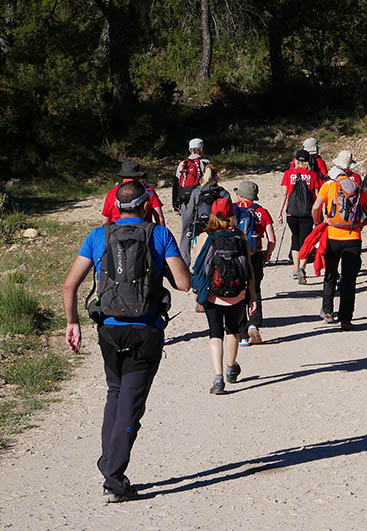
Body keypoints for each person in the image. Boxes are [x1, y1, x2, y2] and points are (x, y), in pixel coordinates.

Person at [63, 180, 191, 503]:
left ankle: (109, 463)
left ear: (116, 207)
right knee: (131, 404)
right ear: (147, 204)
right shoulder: (159, 235)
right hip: (145, 331)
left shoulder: (98, 236)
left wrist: (72, 322)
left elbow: (69, 286)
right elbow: (184, 284)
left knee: (115, 393)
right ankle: (114, 479)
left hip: (108, 330)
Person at [191, 198, 257, 394]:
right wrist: (252, 296)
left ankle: (218, 379)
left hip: (213, 294)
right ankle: (230, 368)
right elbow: (249, 269)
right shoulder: (240, 237)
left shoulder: (205, 237)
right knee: (233, 330)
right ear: (231, 214)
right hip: (237, 293)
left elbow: (198, 267)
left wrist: (197, 292)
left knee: (215, 333)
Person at [311, 173, 367, 330]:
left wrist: (318, 223)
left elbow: (315, 207)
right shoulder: (359, 189)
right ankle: (346, 319)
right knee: (349, 280)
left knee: (331, 274)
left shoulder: (329, 186)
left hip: (332, 236)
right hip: (353, 238)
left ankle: (327, 311)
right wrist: (360, 225)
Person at [233, 181, 275, 346]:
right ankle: (254, 324)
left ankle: (243, 334)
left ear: (240, 195)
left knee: (238, 291)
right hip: (255, 255)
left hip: (236, 255)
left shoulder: (233, 209)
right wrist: (267, 254)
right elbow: (272, 239)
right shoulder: (262, 211)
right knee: (255, 289)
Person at [281, 150, 324, 283]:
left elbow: (284, 195)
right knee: (306, 241)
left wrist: (279, 212)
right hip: (307, 213)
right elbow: (317, 196)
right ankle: (302, 268)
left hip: (291, 213)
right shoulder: (313, 175)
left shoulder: (288, 174)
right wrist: (320, 215)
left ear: (295, 161)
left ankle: (295, 269)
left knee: (295, 239)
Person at [179, 161, 229, 266]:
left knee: (199, 257)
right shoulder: (222, 192)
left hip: (199, 228)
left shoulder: (196, 192)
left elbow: (189, 215)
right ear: (217, 174)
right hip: (217, 227)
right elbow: (229, 212)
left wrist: (187, 230)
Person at [101, 162, 165, 226]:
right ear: (138, 176)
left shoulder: (112, 193)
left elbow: (105, 221)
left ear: (122, 176)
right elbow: (159, 218)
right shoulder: (148, 191)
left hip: (117, 232)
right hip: (144, 232)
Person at [173, 138, 211, 214]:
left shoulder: (182, 164)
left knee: (186, 224)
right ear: (201, 148)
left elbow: (175, 185)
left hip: (184, 199)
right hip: (201, 199)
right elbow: (211, 182)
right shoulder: (205, 163)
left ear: (189, 149)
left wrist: (176, 207)